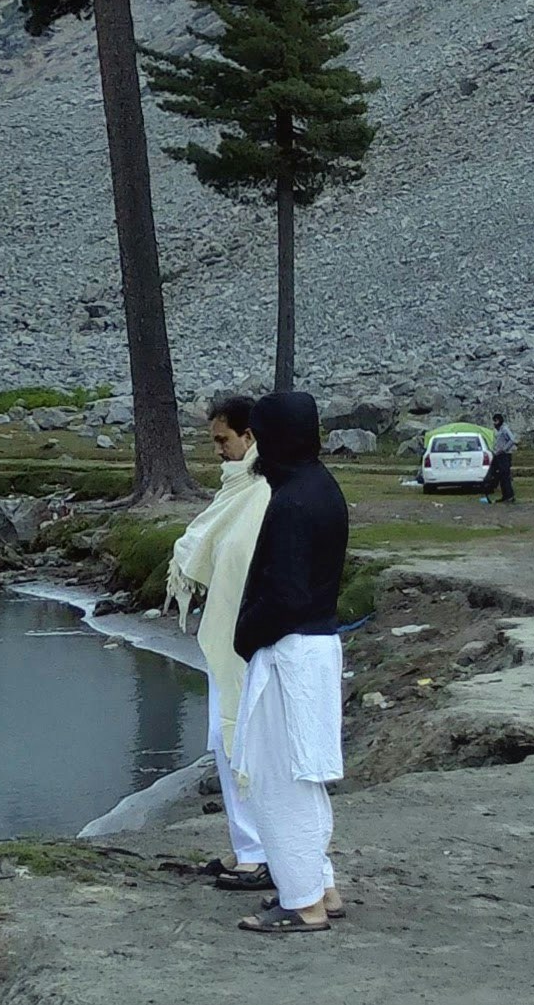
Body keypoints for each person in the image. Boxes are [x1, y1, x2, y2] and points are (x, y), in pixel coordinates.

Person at [163, 391, 355, 932]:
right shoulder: (322, 487)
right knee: (304, 777)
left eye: (262, 440)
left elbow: (285, 595)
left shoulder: (290, 500)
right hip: (316, 646)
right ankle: (322, 888)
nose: (256, 452)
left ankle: (303, 903)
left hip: (290, 651)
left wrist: (244, 635)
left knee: (277, 780)